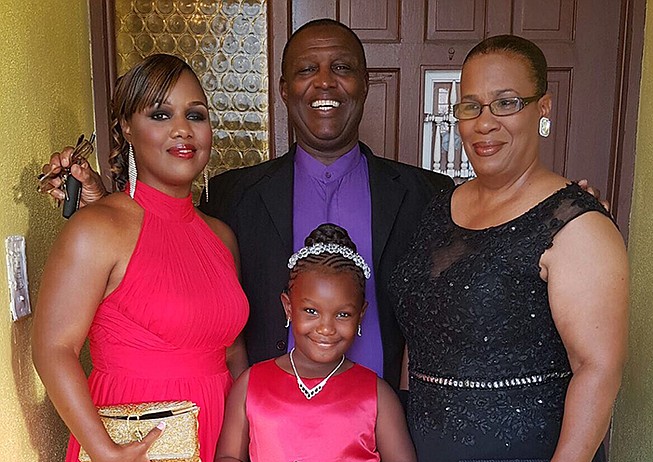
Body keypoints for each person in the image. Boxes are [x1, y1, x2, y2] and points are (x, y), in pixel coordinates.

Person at [41, 18, 449, 392]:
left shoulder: (426, 194)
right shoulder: (231, 196)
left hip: (386, 429)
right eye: (307, 70)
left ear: (364, 82)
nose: (325, 83)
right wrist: (103, 207)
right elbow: (168, 258)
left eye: (341, 68)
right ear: (284, 89)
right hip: (260, 431)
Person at [389, 35, 629, 462]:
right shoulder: (441, 208)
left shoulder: (576, 223)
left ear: (543, 107)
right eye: (471, 106)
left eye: (506, 103)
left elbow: (598, 365)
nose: (485, 122)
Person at [32, 54, 249, 462]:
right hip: (136, 452)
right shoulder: (99, 227)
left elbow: (232, 352)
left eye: (195, 114)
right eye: (160, 114)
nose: (183, 130)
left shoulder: (221, 236)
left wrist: (249, 436)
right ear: (127, 129)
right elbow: (52, 348)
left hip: (218, 450)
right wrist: (107, 453)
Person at [215, 223, 417, 462]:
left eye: (343, 314)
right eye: (311, 311)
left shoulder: (375, 392)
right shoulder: (251, 383)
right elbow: (227, 460)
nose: (326, 327)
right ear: (288, 307)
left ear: (361, 314)